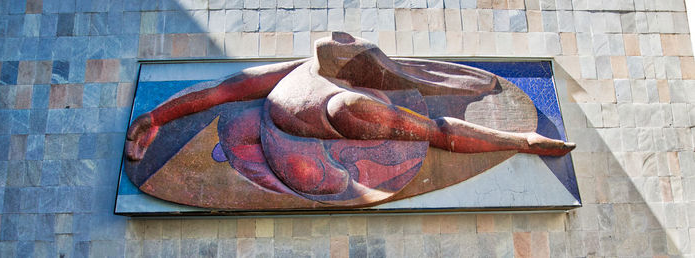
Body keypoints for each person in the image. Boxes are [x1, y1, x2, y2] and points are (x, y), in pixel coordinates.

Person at [126, 32, 574, 165]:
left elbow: (439, 134)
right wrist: (158, 116)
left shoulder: (351, 106)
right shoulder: (305, 68)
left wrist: (522, 142)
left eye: (346, 47)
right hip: (272, 139)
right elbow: (223, 90)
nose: (337, 45)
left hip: (313, 145)